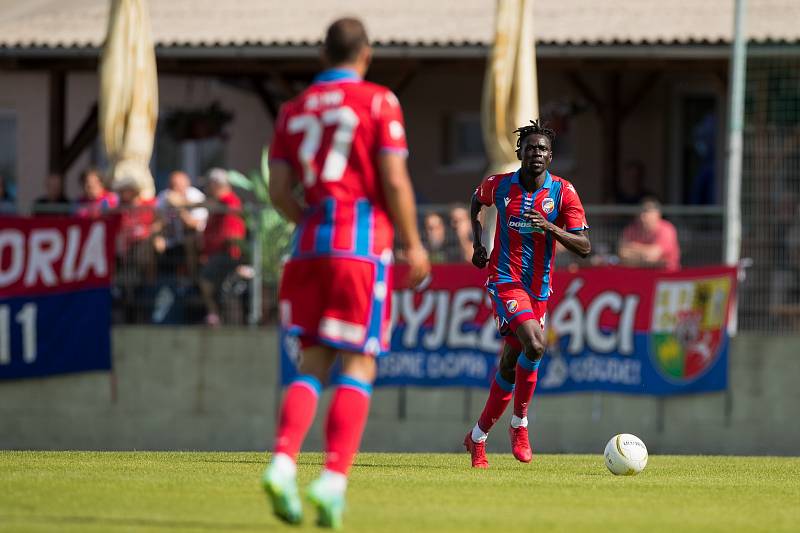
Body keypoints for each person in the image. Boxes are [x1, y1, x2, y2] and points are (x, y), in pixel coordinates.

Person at [262, 17, 430, 528]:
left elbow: (278, 188)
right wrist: (413, 243)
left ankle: (282, 463)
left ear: (322, 53)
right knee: (358, 365)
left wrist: (311, 220)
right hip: (359, 247)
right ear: (367, 53)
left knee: (311, 363)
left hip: (308, 247)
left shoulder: (293, 109)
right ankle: (332, 482)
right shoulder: (379, 101)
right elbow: (395, 180)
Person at [466, 120, 590, 468]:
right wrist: (478, 243)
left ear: (551, 156)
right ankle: (520, 425)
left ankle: (477, 438)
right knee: (536, 344)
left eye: (543, 149)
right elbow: (476, 203)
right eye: (530, 148)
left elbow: (584, 245)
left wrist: (550, 227)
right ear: (519, 152)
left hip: (539, 290)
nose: (536, 153)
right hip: (504, 280)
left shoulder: (563, 193)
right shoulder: (501, 185)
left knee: (511, 362)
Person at [198, 168, 246, 326]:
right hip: (218, 255)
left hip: (228, 254)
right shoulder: (220, 201)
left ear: (217, 185)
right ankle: (219, 317)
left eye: (209, 185)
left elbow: (223, 205)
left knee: (206, 283)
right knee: (226, 291)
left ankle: (214, 315)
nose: (207, 189)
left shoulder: (228, 199)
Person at [154, 170, 208, 277]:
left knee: (189, 242)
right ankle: (152, 286)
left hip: (194, 238)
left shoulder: (196, 196)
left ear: (187, 184)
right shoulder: (164, 196)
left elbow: (194, 224)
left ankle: (192, 280)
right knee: (154, 242)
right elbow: (157, 222)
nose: (174, 188)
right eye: (172, 185)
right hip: (171, 237)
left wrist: (180, 208)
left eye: (177, 185)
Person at [618, 196, 680, 271]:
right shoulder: (630, 229)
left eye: (646, 211)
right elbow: (622, 254)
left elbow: (653, 255)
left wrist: (634, 247)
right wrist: (646, 256)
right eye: (640, 211)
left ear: (657, 214)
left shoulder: (667, 229)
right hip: (638, 274)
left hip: (666, 276)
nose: (642, 215)